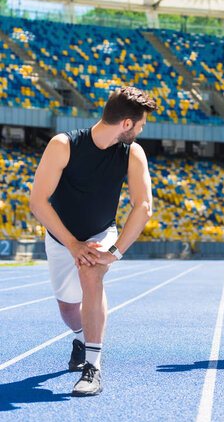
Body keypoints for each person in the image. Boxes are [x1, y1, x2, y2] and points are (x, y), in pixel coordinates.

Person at [30, 86, 157, 395]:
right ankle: (80, 336)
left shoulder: (132, 152)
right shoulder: (63, 145)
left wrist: (114, 252)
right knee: (68, 309)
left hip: (102, 232)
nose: (141, 130)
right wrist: (72, 244)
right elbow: (38, 201)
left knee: (91, 274)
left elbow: (143, 205)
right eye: (140, 124)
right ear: (126, 123)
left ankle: (92, 368)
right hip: (62, 238)